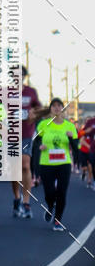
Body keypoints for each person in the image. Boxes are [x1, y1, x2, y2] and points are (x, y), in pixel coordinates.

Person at [34, 98, 78, 231]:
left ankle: (58, 220)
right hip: (47, 163)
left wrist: (70, 138)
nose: (57, 108)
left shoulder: (69, 126)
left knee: (62, 192)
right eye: (54, 106)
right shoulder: (43, 124)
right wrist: (40, 146)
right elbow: (36, 141)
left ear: (62, 109)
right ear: (51, 109)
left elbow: (76, 148)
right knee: (49, 192)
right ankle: (50, 206)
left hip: (64, 163)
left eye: (59, 106)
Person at [12, 66, 41, 219]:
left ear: (24, 76)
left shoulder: (31, 92)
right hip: (10, 134)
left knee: (25, 165)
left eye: (21, 74)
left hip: (27, 133)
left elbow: (39, 108)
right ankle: (17, 197)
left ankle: (26, 202)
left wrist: (33, 114)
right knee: (15, 169)